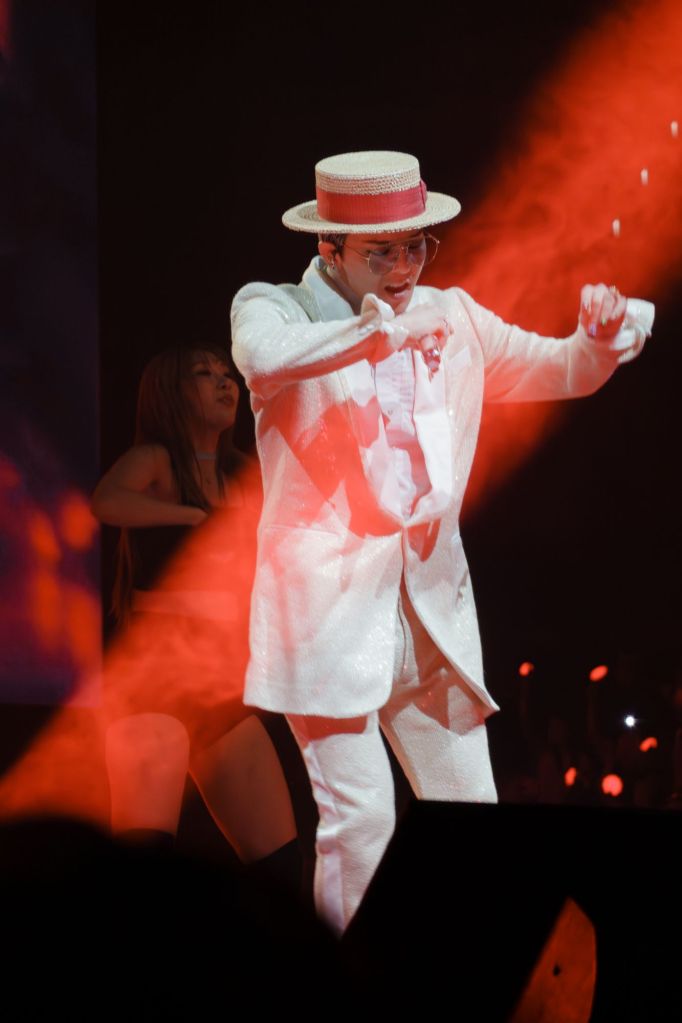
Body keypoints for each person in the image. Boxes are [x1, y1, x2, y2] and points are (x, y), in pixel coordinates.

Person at [230, 150, 654, 933]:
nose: (403, 268)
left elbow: (559, 368)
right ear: (329, 247)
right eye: (381, 252)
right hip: (327, 623)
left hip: (428, 619)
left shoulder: (450, 316)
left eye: (416, 247)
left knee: (472, 822)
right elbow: (261, 358)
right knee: (362, 826)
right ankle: (342, 985)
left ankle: (467, 981)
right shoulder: (277, 308)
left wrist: (595, 340)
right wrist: (376, 335)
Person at [91, 343, 299, 882]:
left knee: (281, 865)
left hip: (220, 685)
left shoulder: (242, 474)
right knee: (143, 861)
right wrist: (193, 519)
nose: (224, 383)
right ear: (171, 393)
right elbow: (107, 501)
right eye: (205, 374)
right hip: (154, 680)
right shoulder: (155, 461)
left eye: (226, 373)